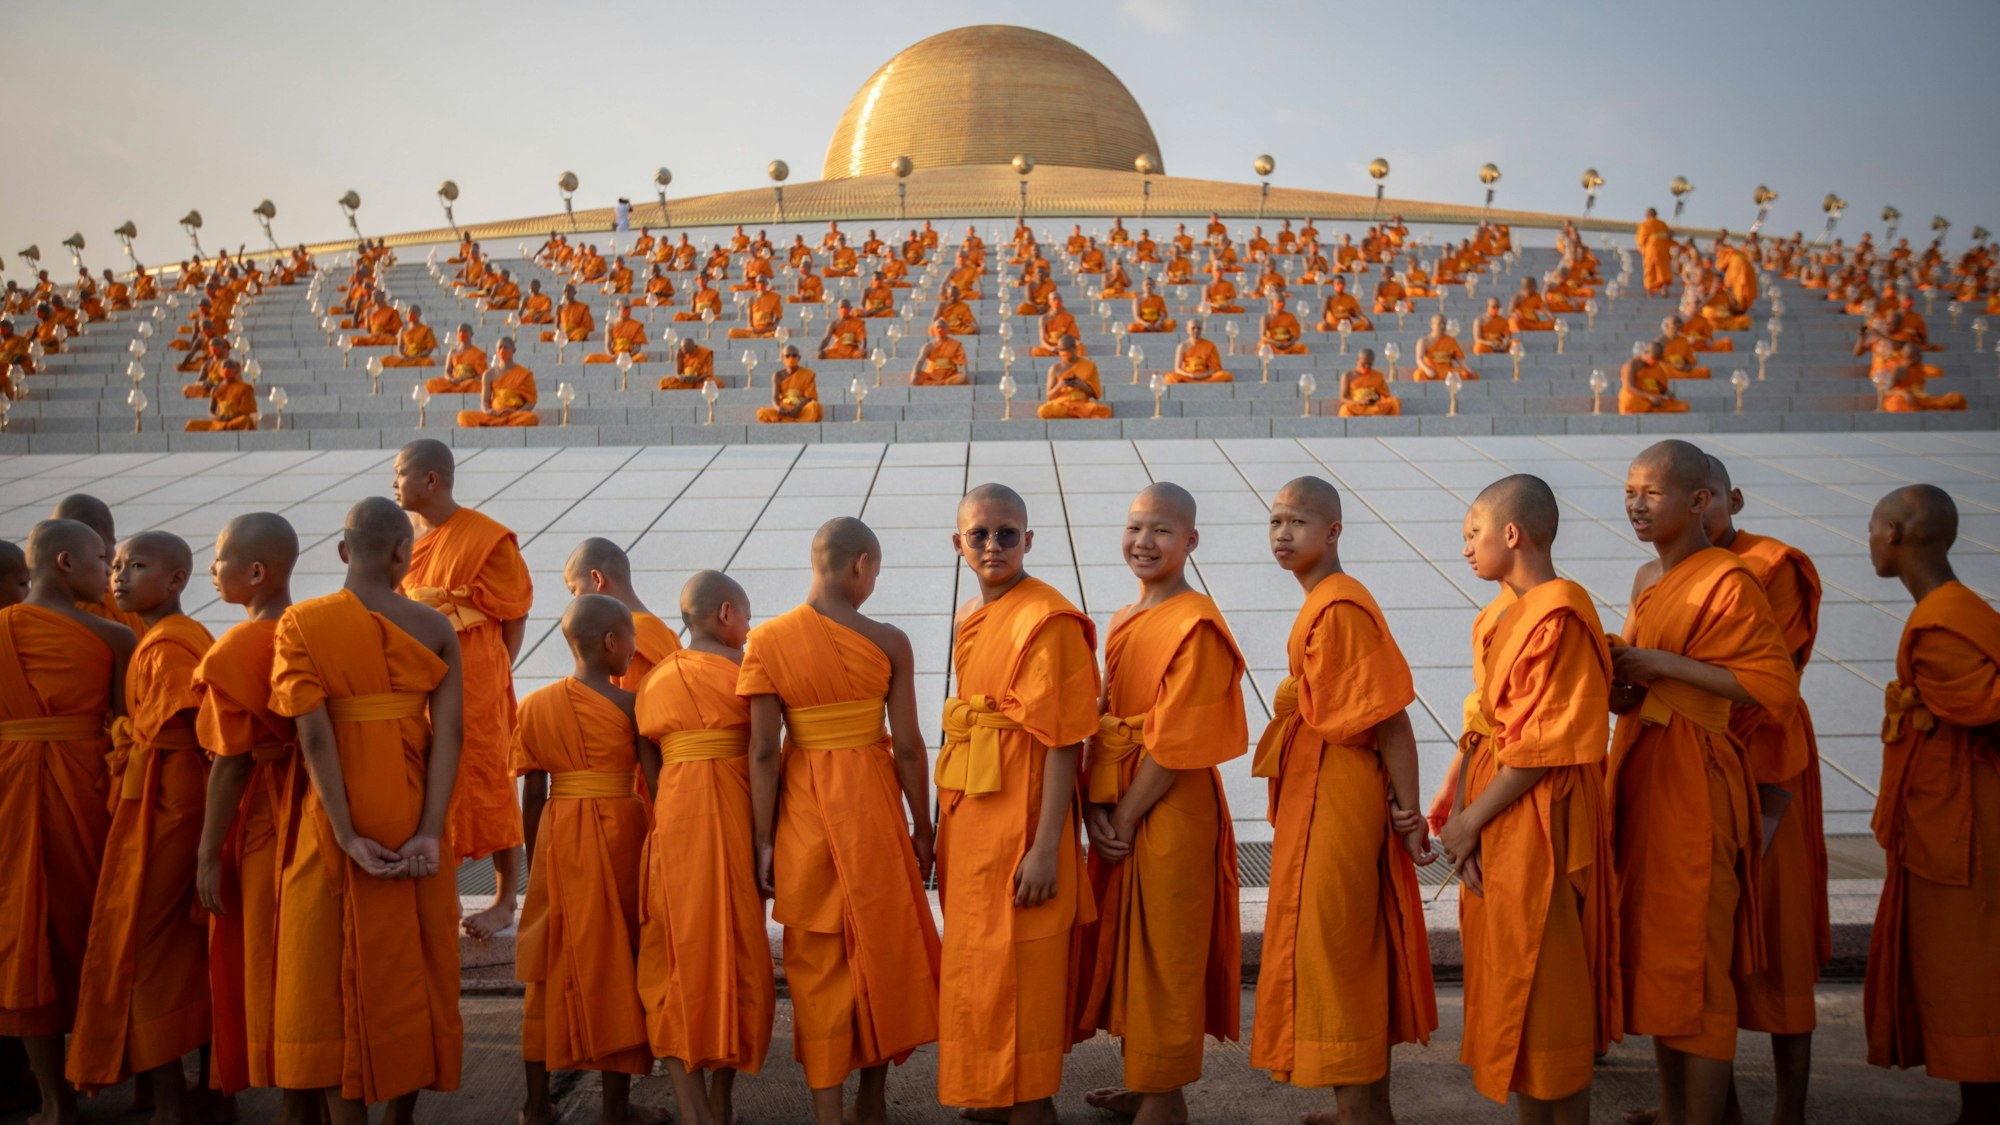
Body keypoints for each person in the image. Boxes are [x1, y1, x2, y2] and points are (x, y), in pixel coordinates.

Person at [1608, 440, 1799, 1125]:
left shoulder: (1729, 578)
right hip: (1643, 765)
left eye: (1650, 492)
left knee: (1696, 959)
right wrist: (1620, 677)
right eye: (1629, 489)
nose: (1635, 503)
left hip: (1695, 779)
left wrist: (1660, 661)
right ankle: (1674, 1106)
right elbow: (1646, 683)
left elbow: (1769, 686)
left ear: (1697, 501)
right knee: (1656, 955)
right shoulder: (1648, 579)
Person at [739, 518, 942, 1125]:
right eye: (875, 571)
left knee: (818, 961)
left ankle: (829, 1111)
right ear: (861, 566)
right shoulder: (889, 640)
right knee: (881, 949)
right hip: (872, 809)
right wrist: (923, 829)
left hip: (805, 810)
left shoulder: (767, 641)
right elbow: (907, 746)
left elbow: (763, 752)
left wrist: (763, 840)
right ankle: (871, 1102)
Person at [269, 497, 464, 1121]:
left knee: (323, 974)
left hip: (333, 814)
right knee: (410, 968)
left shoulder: (302, 623)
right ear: (405, 554)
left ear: (344, 551)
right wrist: (430, 832)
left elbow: (314, 734)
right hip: (411, 807)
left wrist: (347, 832)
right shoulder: (434, 627)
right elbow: (453, 732)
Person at [1250, 477, 1437, 1125]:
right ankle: (1363, 1105)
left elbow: (1393, 721)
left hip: (1341, 795)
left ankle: (1361, 1109)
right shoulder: (1326, 600)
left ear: (1332, 532)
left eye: (1296, 521)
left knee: (1338, 948)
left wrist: (1409, 814)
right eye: (1274, 520)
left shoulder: (1340, 606)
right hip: (1322, 786)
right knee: (1345, 944)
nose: (1282, 532)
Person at [1441, 475, 1620, 1122]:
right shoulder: (1496, 613)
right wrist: (1455, 802)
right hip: (1494, 806)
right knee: (1509, 977)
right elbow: (1484, 722)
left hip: (1540, 815)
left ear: (1511, 533)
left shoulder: (1559, 613)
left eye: (1473, 533)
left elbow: (1544, 742)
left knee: (1546, 986)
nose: (1464, 547)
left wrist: (1470, 820)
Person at [1076, 484, 1246, 1125]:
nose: (1144, 542)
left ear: (1191, 542)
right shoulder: (1125, 618)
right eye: (1135, 527)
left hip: (1170, 808)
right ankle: (1145, 1082)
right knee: (1127, 947)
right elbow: (1106, 719)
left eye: (1162, 532)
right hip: (1121, 798)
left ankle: (1165, 1098)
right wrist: (1098, 802)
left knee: (1166, 953)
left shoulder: (1195, 622)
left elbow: (1179, 743)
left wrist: (1120, 815)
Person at [937, 485, 1100, 1124]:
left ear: (1029, 540)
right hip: (977, 815)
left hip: (1028, 818)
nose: (993, 545)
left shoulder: (1047, 619)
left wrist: (1045, 848)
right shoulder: (974, 617)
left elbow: (1065, 742)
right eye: (979, 535)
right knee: (980, 959)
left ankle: (1031, 1100)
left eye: (1007, 533)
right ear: (959, 545)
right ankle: (996, 1085)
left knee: (1026, 966)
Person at [66, 532, 218, 1118]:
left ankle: (174, 1100)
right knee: (178, 950)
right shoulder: (164, 638)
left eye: (137, 566)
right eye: (118, 565)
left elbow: (198, 735)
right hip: (163, 797)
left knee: (146, 949)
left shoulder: (168, 646)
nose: (119, 577)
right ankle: (193, 1091)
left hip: (171, 807)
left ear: (178, 579)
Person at [1863, 484, 2000, 1125]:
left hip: (1967, 824)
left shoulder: (1943, 623)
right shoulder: (1956, 608)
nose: (1869, 542)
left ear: (1894, 533)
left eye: (1871, 530)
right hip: (1958, 813)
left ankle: (1981, 1107)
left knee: (1967, 967)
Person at [513, 596, 663, 1125]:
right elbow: (656, 785)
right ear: (612, 643)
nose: (636, 650)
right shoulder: (631, 707)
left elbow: (533, 793)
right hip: (621, 834)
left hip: (558, 834)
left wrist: (537, 861)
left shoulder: (534, 706)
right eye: (632, 639)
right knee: (618, 958)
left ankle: (537, 1105)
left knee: (549, 964)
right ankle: (615, 1108)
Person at [0, 520, 128, 1125]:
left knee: (20, 940)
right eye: (103, 559)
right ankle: (119, 1077)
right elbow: (132, 733)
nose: (110, 571)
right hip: (89, 796)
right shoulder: (112, 636)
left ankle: (56, 1101)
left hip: (9, 796)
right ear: (66, 561)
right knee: (98, 932)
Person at [635, 572, 775, 1125]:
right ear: (724, 614)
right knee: (739, 959)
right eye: (745, 614)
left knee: (674, 960)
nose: (748, 626)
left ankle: (698, 1110)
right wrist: (767, 837)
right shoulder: (747, 674)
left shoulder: (655, 679)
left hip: (674, 827)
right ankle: (716, 1104)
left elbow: (651, 766)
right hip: (736, 824)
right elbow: (765, 756)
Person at [192, 513, 311, 1115]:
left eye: (219, 559)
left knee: (271, 951)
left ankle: (293, 1096)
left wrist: (208, 853)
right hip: (317, 808)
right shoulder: (315, 629)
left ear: (256, 572)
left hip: (267, 812)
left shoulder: (239, 646)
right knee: (310, 952)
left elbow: (230, 762)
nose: (211, 570)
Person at [392, 440, 533, 942]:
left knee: (490, 776)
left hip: (476, 670)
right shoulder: (402, 537)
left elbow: (514, 613)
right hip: (420, 668)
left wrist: (498, 668)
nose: (394, 482)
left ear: (431, 480)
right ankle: (444, 892)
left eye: (401, 473)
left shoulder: (488, 538)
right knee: (432, 774)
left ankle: (502, 899)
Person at [563, 538, 679, 692]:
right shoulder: (664, 632)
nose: (577, 602)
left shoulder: (629, 638)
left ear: (597, 579)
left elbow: (632, 709)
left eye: (574, 591)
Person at [457, 337, 539, 427]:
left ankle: (495, 424)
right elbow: (485, 401)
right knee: (463, 416)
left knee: (531, 418)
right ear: (496, 351)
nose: (502, 350)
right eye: (500, 348)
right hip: (494, 415)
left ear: (514, 350)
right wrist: (488, 411)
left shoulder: (524, 373)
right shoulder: (489, 374)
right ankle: (499, 423)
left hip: (513, 415)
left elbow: (531, 402)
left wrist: (516, 412)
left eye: (506, 347)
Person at [1037, 336, 1112, 420]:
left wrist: (1082, 385)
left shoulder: (1090, 365)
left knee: (1105, 411)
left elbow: (1095, 394)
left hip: (1081, 404)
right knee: (1043, 410)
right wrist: (1060, 385)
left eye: (1066, 349)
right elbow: (1049, 396)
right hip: (1062, 404)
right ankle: (1078, 415)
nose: (1063, 352)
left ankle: (1075, 414)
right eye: (1061, 350)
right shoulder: (1055, 368)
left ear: (1074, 348)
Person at [185, 359, 259, 431]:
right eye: (224, 367)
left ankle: (224, 427)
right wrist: (218, 417)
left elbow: (246, 412)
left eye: (230, 367)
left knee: (245, 420)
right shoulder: (215, 388)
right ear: (220, 371)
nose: (226, 369)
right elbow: (211, 411)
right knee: (191, 424)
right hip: (220, 421)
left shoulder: (245, 387)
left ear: (236, 371)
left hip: (236, 419)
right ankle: (224, 427)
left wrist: (231, 418)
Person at [756, 345, 823, 423]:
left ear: (799, 358)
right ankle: (792, 419)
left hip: (802, 407)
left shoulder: (808, 374)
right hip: (785, 408)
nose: (791, 358)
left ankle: (788, 420)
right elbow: (774, 398)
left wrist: (797, 409)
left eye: (794, 355)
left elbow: (810, 397)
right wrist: (778, 408)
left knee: (814, 406)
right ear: (782, 358)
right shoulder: (778, 375)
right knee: (762, 412)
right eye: (787, 356)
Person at [1618, 342, 1686, 414]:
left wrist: (1667, 392)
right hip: (1638, 397)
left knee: (1683, 406)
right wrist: (1649, 396)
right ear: (1646, 352)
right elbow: (1629, 387)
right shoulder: (1632, 365)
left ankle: (1653, 409)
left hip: (1653, 398)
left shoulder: (1656, 366)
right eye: (1653, 359)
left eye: (1657, 360)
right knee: (1630, 401)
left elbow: (1659, 384)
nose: (1654, 362)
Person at [423, 325, 487, 395]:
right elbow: (447, 372)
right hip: (455, 381)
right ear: (457, 334)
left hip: (470, 382)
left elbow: (483, 375)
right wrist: (451, 379)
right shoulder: (452, 352)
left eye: (465, 331)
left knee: (479, 385)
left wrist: (469, 379)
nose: (462, 333)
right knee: (432, 384)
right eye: (460, 331)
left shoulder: (479, 353)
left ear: (471, 334)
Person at [1337, 348, 1400, 417]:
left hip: (1373, 406)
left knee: (1394, 402)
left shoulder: (1377, 375)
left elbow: (1385, 395)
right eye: (1364, 364)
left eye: (1370, 364)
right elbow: (1343, 399)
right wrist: (1359, 402)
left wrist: (1374, 399)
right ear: (1358, 359)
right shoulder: (1348, 376)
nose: (1367, 366)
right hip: (1356, 405)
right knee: (1345, 410)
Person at [911, 318, 969, 386]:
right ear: (933, 330)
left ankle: (939, 383)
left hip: (949, 375)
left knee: (962, 378)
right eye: (937, 327)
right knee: (916, 377)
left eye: (943, 327)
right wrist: (914, 374)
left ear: (947, 329)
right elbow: (920, 361)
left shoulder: (956, 344)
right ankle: (937, 383)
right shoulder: (928, 346)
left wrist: (964, 373)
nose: (940, 329)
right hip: (931, 375)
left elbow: (962, 362)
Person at [1416, 314, 1473, 381]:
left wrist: (1468, 369)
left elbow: (1460, 359)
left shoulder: (1451, 340)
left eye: (1444, 324)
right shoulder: (1424, 341)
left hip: (1448, 372)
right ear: (1431, 325)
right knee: (1419, 375)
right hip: (1432, 371)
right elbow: (1419, 359)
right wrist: (1427, 369)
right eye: (1439, 323)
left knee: (1467, 374)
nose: (1442, 326)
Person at [1637, 209, 1674, 296]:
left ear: (1647, 215)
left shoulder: (1644, 224)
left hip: (1651, 249)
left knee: (1650, 269)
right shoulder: (1662, 224)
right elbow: (1669, 236)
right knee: (1663, 269)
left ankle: (1649, 290)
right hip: (1662, 249)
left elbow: (1641, 240)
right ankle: (1664, 289)